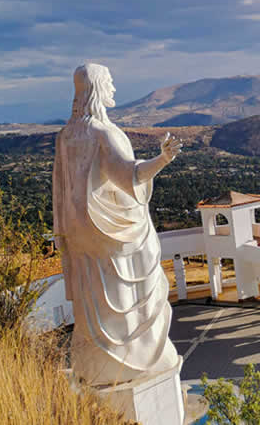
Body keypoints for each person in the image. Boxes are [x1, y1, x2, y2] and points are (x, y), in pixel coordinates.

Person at [54, 64, 183, 385]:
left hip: (80, 233)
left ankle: (96, 361)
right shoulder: (104, 133)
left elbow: (61, 187)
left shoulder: (65, 136)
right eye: (109, 82)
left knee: (93, 296)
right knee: (133, 283)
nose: (113, 88)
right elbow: (130, 176)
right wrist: (163, 159)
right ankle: (136, 356)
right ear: (97, 87)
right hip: (110, 234)